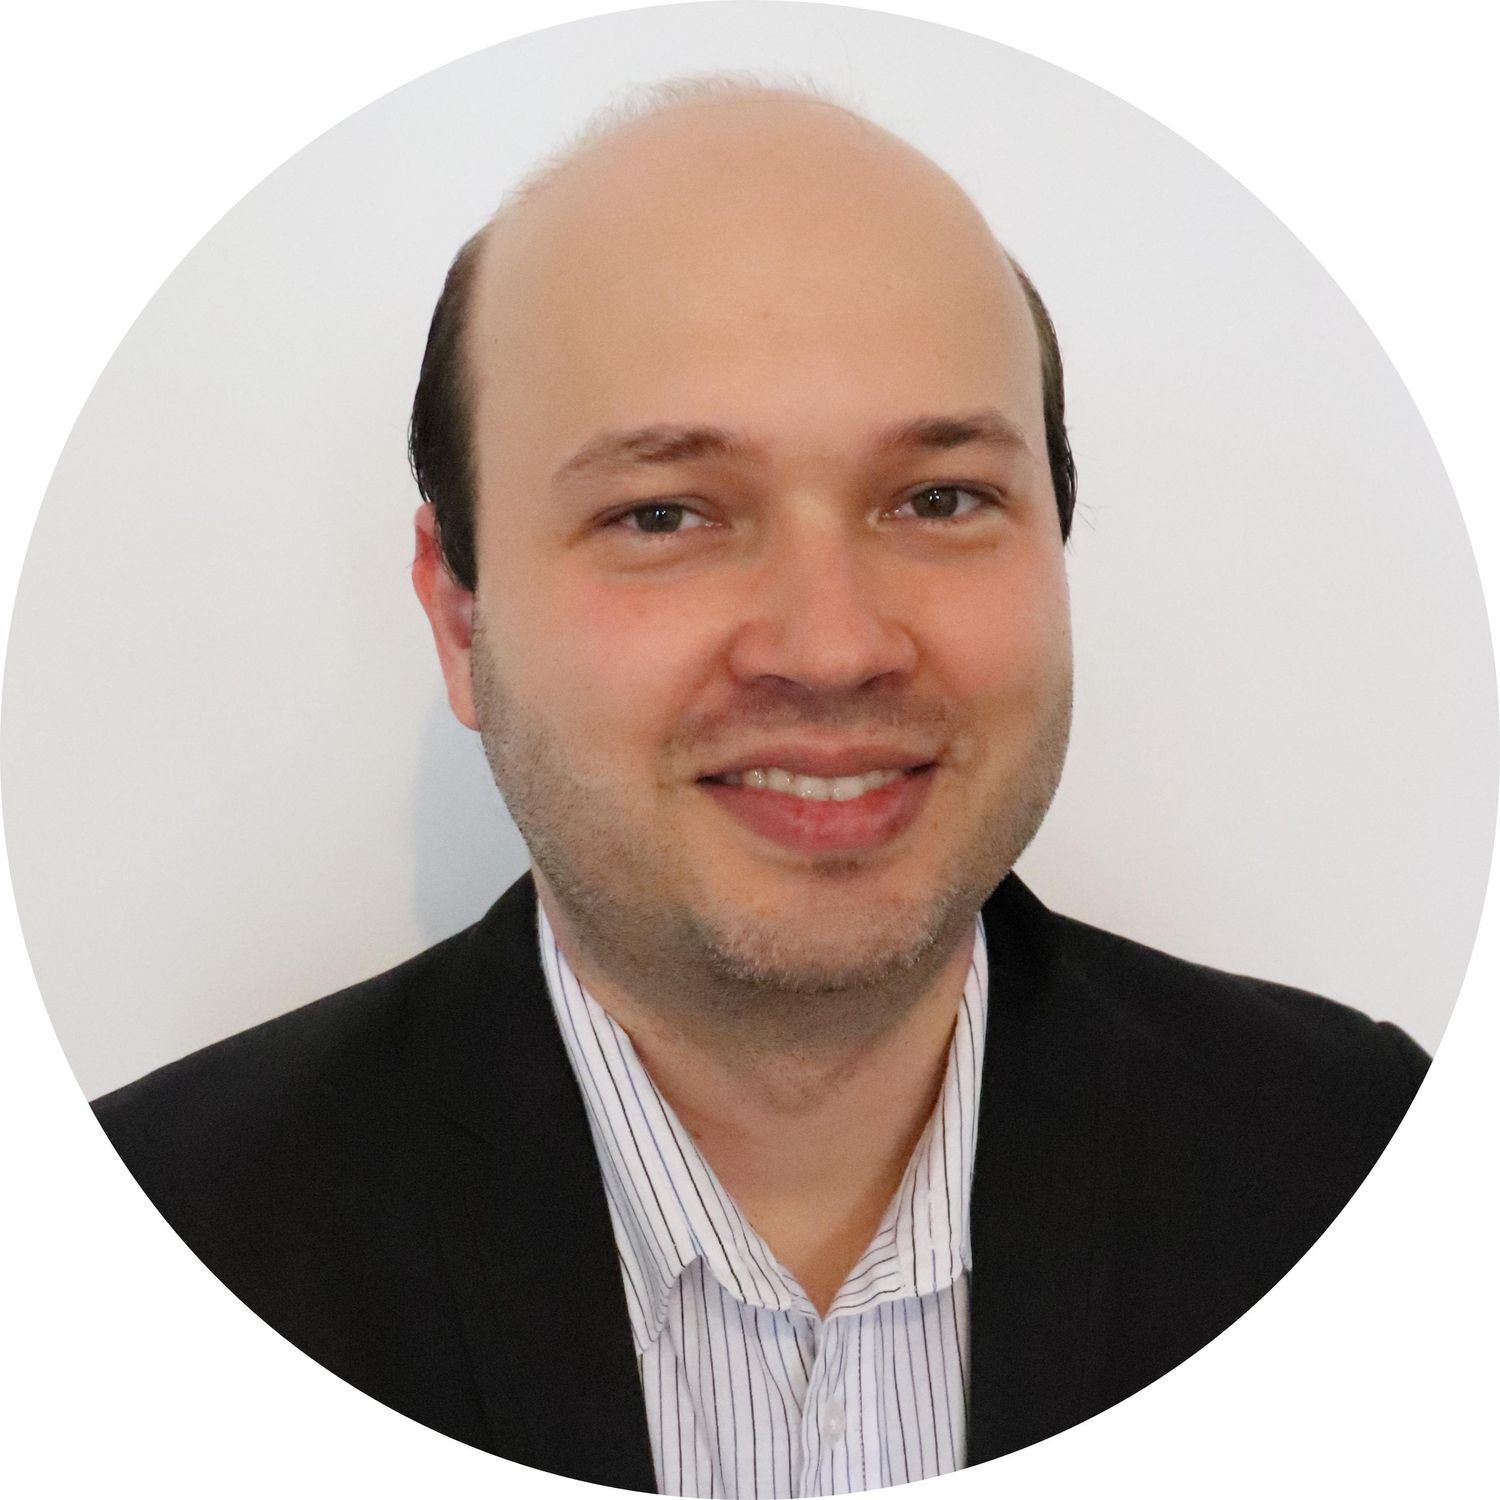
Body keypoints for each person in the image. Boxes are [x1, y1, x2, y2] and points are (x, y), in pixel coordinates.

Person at [93, 75, 1429, 1497]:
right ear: (461, 617)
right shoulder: (143, 1263)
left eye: (940, 498)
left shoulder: (1369, 1173)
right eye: (663, 513)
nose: (832, 647)